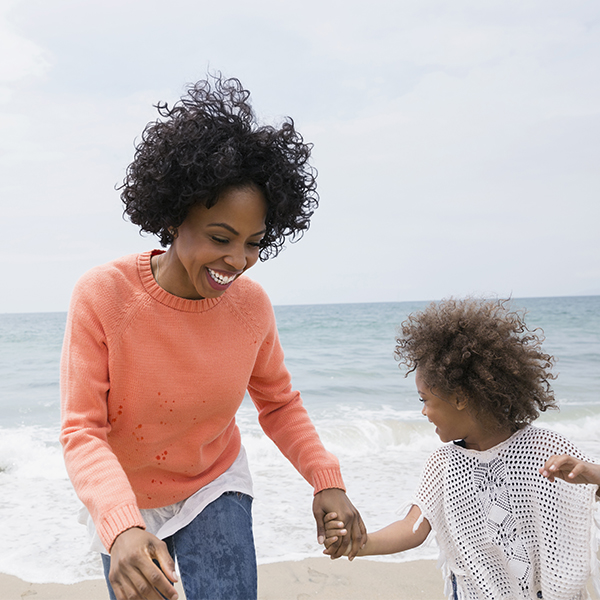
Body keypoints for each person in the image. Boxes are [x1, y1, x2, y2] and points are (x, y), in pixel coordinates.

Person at [60, 74, 365, 600]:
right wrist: (123, 526)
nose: (237, 260)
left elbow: (278, 404)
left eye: (254, 243)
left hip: (214, 483)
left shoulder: (252, 307)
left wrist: (326, 480)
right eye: (221, 237)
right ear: (174, 218)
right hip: (125, 496)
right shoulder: (103, 296)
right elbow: (82, 430)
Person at [322, 298, 600, 599]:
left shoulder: (543, 447)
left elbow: (589, 498)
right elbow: (412, 527)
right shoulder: (444, 464)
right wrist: (359, 543)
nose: (423, 412)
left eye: (425, 400)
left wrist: (593, 474)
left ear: (460, 398)